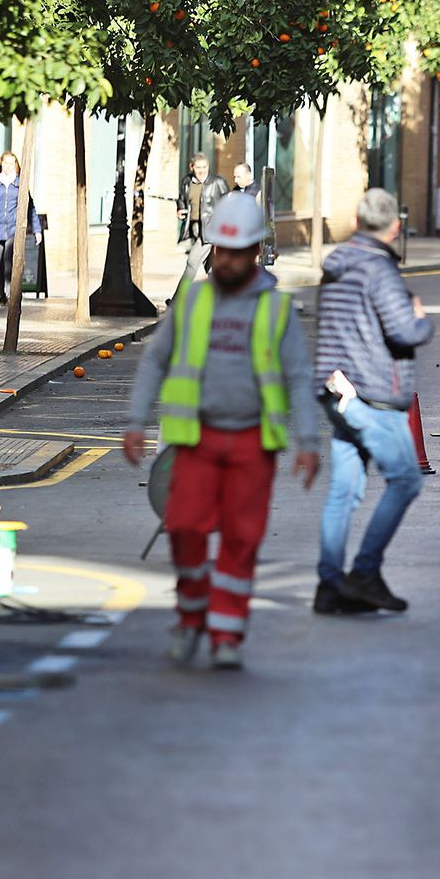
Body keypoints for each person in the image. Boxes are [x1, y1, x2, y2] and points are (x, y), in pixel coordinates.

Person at [124, 193, 319, 670]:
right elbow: (155, 360)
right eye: (220, 251)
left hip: (254, 443)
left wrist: (309, 442)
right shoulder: (191, 303)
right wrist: (135, 421)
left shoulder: (275, 309)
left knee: (241, 536)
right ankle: (191, 615)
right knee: (186, 525)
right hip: (197, 440)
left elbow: (298, 375)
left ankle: (226, 632)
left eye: (236, 252)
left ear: (256, 251)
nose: (226, 260)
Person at [313, 188, 435, 615]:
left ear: (355, 222)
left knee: (344, 491)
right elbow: (403, 331)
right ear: (396, 227)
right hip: (370, 397)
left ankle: (329, 586)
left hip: (336, 391)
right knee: (405, 480)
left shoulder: (336, 266)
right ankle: (364, 572)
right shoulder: (378, 269)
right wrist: (421, 317)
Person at [0, 151, 41, 306]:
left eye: (11, 163)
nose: (8, 166)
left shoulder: (20, 184)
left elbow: (30, 207)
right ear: (0, 163)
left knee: (9, 259)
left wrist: (37, 229)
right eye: (5, 163)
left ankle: (9, 292)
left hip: (13, 229)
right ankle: (2, 294)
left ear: (16, 165)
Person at [176, 153, 230, 283]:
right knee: (210, 268)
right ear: (191, 167)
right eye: (198, 167)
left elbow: (229, 204)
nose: (201, 171)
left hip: (211, 229)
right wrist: (180, 209)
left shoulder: (218, 182)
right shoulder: (187, 182)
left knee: (192, 262)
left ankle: (178, 299)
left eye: (204, 167)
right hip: (194, 228)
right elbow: (182, 199)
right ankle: (223, 298)